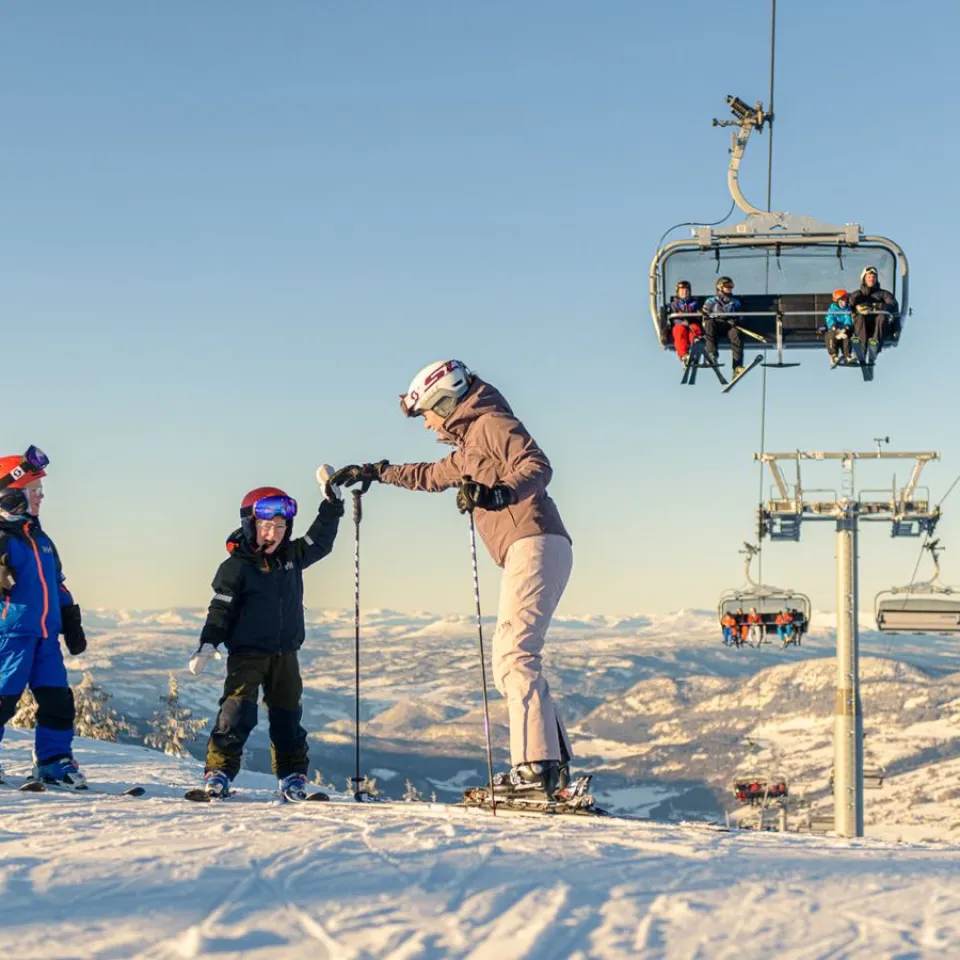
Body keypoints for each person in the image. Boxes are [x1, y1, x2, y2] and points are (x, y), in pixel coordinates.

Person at [333, 359, 573, 802]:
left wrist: (499, 493)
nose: (426, 425)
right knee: (512, 658)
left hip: (535, 539)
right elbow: (428, 475)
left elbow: (537, 465)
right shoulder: (470, 447)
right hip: (534, 544)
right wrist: (373, 471)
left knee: (515, 656)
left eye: (425, 413)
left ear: (444, 401)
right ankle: (547, 766)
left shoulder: (493, 424)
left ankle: (535, 773)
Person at [188, 479, 343, 800]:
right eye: (266, 526)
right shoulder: (236, 567)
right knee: (237, 713)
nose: (274, 533)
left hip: (285, 653)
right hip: (247, 654)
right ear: (250, 525)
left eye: (281, 526)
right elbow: (220, 609)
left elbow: (320, 542)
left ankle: (292, 775)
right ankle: (219, 771)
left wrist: (331, 506)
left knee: (287, 717)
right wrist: (208, 642)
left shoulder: (293, 557)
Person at [0, 446, 88, 788]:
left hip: (46, 639)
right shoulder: (3, 540)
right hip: (11, 637)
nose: (40, 499)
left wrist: (70, 616)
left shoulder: (41, 539)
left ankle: (53, 761)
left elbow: (57, 583)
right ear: (11, 497)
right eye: (34, 492)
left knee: (58, 701)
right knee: (3, 700)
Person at [848, 266, 899, 353]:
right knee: (859, 317)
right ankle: (861, 346)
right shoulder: (856, 295)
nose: (871, 279)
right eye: (869, 277)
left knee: (882, 316)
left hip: (879, 325)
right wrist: (856, 307)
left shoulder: (884, 294)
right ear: (864, 279)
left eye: (874, 277)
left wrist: (876, 307)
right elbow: (848, 306)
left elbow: (893, 304)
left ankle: (875, 344)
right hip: (862, 326)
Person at [701, 276, 745, 375]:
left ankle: (737, 365)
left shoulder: (735, 302)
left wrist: (736, 321)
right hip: (716, 326)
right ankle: (712, 354)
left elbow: (741, 316)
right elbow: (705, 313)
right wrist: (710, 315)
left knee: (736, 333)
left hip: (729, 327)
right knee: (709, 324)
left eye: (731, 286)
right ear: (720, 287)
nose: (729, 288)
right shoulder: (711, 301)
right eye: (727, 286)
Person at [669, 280, 703, 367]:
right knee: (679, 331)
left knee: (695, 328)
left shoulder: (695, 303)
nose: (684, 292)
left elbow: (700, 312)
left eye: (686, 290)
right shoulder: (674, 304)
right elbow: (672, 314)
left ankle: (696, 345)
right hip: (680, 324)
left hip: (692, 323)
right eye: (682, 290)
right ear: (678, 292)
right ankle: (684, 356)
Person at [824, 289, 854, 366]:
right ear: (837, 301)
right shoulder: (832, 309)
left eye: (846, 299)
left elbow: (848, 318)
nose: (845, 301)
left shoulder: (847, 309)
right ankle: (834, 355)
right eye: (842, 300)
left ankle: (847, 355)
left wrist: (845, 328)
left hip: (843, 329)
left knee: (846, 337)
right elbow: (829, 318)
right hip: (835, 329)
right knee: (829, 336)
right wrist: (835, 328)